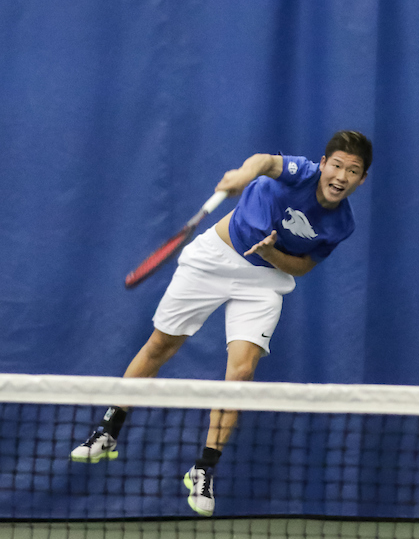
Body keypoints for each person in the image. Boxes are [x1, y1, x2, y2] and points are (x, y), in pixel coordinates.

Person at [70, 130, 372, 517]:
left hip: (265, 278)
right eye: (337, 165)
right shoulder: (302, 173)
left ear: (361, 180)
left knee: (241, 374)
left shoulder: (340, 224)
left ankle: (204, 468)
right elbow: (265, 161)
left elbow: (305, 266)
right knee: (161, 346)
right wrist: (244, 175)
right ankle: (109, 430)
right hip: (215, 258)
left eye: (353, 171)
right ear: (323, 164)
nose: (341, 176)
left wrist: (273, 256)